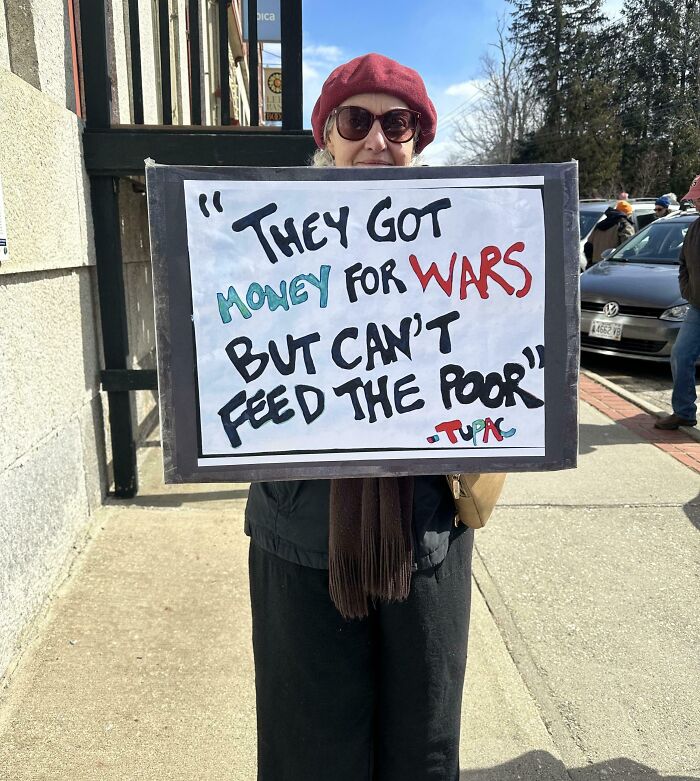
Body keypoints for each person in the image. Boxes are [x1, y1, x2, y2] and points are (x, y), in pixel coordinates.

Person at [244, 53, 477, 781]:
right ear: (327, 138)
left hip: (426, 531)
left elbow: (509, 373)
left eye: (397, 122)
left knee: (424, 744)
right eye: (356, 121)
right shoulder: (263, 249)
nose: (377, 139)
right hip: (301, 536)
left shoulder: (470, 243)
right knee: (309, 744)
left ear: (419, 140)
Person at [654, 175, 700, 430]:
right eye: (694, 200)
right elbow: (683, 262)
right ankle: (684, 411)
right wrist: (687, 288)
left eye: (698, 199)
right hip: (696, 305)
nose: (695, 204)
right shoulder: (694, 227)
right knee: (681, 355)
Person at [583, 200, 635, 266]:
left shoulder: (600, 225)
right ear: (627, 214)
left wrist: (590, 262)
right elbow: (629, 247)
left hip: (596, 265)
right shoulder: (624, 225)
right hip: (615, 265)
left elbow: (588, 246)